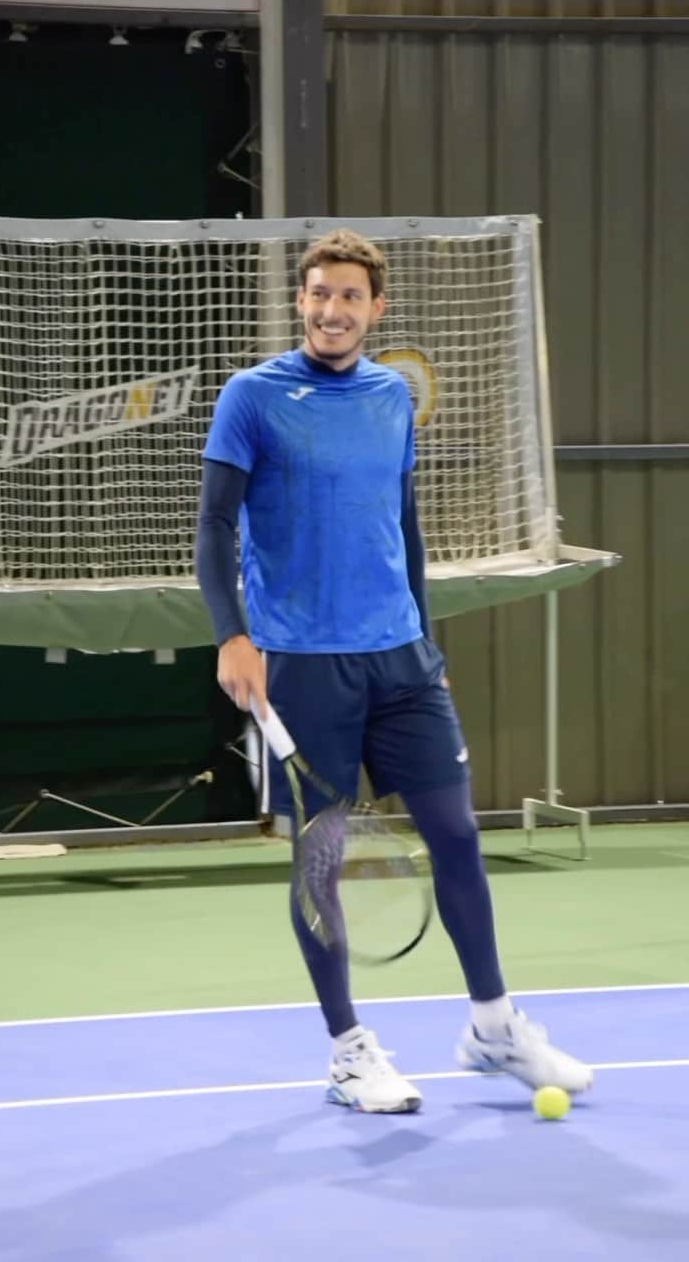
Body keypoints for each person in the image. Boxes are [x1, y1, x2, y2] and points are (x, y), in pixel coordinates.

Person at [196, 228, 592, 1114]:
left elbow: (403, 528)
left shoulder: (391, 398)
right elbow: (215, 525)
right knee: (321, 860)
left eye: (349, 297)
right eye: (317, 293)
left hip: (402, 663)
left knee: (455, 834)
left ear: (377, 310)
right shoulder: (251, 398)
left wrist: (427, 641)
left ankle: (493, 1027)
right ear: (300, 301)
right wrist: (233, 635)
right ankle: (348, 1050)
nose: (331, 309)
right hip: (302, 666)